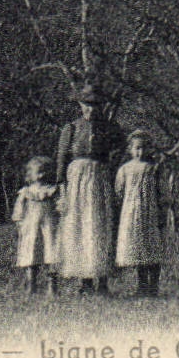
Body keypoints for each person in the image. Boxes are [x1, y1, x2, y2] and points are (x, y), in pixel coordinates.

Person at [55, 85, 120, 294]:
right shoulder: (71, 128)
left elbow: (119, 151)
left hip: (99, 178)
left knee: (98, 225)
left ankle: (102, 280)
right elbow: (62, 158)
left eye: (95, 105)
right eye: (86, 105)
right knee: (79, 225)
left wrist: (112, 173)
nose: (90, 109)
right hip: (77, 179)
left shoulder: (109, 129)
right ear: (80, 105)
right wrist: (62, 188)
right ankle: (84, 280)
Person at [114, 130, 166, 296]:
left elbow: (161, 190)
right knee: (138, 247)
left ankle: (153, 286)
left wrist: (162, 208)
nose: (140, 152)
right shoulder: (125, 169)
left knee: (151, 246)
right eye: (137, 148)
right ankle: (142, 285)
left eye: (144, 148)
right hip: (131, 212)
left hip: (150, 212)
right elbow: (119, 191)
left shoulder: (153, 168)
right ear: (130, 149)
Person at [11, 156, 59, 295]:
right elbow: (19, 208)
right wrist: (19, 221)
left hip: (49, 227)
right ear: (30, 174)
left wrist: (61, 215)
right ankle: (31, 284)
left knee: (51, 253)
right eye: (38, 171)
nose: (41, 175)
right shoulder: (26, 192)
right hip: (31, 228)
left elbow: (60, 206)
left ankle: (52, 285)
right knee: (31, 253)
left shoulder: (52, 190)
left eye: (44, 171)